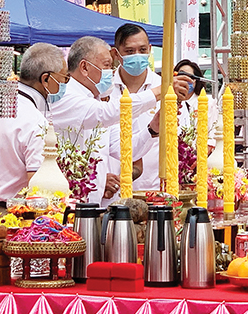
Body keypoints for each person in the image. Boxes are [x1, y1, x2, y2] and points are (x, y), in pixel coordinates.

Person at [50, 36, 190, 206]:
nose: (111, 71)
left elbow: (125, 149)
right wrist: (161, 90)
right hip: (67, 203)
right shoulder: (66, 95)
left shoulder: (97, 100)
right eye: (107, 65)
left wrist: (153, 129)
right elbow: (106, 113)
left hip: (95, 204)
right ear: (85, 67)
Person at [0, 43, 67, 221]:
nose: (65, 85)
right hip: (9, 217)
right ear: (46, 79)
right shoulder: (36, 122)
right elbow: (37, 186)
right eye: (65, 79)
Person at [111, 24, 162, 192]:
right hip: (113, 189)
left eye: (142, 50)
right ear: (116, 54)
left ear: (149, 49)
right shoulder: (105, 89)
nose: (137, 56)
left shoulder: (163, 88)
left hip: (155, 188)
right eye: (130, 52)